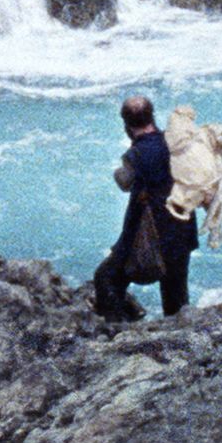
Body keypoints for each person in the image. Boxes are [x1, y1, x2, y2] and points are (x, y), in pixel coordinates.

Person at [92, 96, 199, 321]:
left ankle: (116, 334)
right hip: (182, 230)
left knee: (106, 278)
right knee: (176, 300)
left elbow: (125, 182)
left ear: (126, 124)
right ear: (151, 116)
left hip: (150, 234)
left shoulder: (138, 154)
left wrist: (119, 170)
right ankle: (182, 342)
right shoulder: (172, 144)